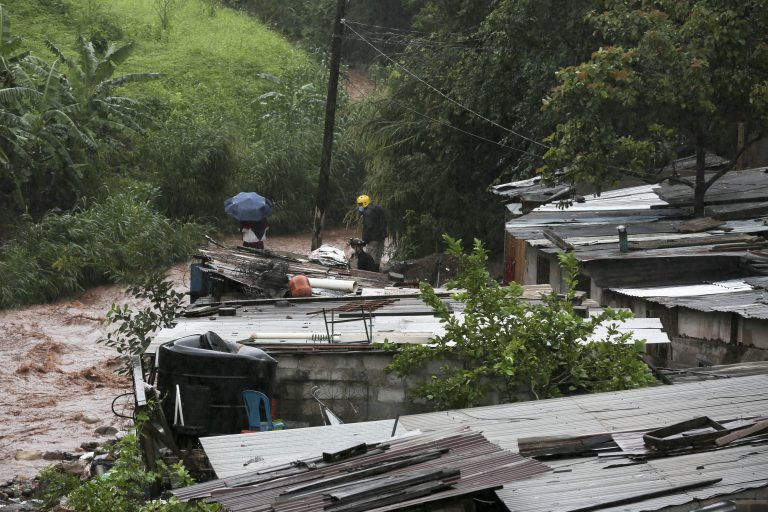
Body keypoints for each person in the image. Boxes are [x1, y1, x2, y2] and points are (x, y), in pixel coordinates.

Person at [356, 194, 387, 267]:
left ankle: (371, 272)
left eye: (360, 204)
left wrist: (365, 240)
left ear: (364, 203)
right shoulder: (377, 208)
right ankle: (376, 270)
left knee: (370, 257)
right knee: (378, 256)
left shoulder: (368, 213)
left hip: (373, 239)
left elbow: (368, 227)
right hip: (381, 237)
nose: (359, 206)